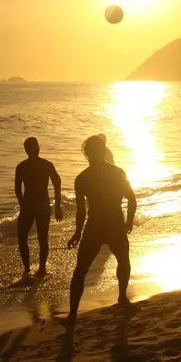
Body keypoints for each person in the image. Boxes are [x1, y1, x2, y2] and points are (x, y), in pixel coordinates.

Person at [66, 135, 137, 322]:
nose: (93, 154)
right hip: (104, 225)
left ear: (88, 153)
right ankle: (75, 311)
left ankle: (75, 313)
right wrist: (77, 232)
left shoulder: (84, 178)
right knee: (84, 269)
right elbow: (131, 198)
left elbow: (131, 198)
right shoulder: (113, 173)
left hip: (102, 226)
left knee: (84, 269)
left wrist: (129, 222)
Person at [14, 137, 63, 276]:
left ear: (27, 150)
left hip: (30, 205)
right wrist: (57, 206)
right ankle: (40, 269)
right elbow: (57, 185)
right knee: (42, 238)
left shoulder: (22, 166)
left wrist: (22, 204)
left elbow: (17, 189)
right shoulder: (46, 165)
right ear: (38, 148)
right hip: (40, 205)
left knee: (24, 238)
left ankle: (28, 269)